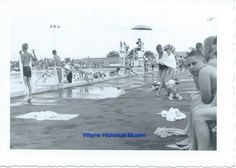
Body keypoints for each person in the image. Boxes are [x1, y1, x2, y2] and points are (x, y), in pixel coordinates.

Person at [185, 50, 217, 150]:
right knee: (195, 103)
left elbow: (206, 99)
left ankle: (201, 151)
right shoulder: (205, 69)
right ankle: (194, 145)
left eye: (194, 63)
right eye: (188, 65)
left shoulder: (204, 71)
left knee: (197, 112)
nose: (191, 67)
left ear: (204, 61)